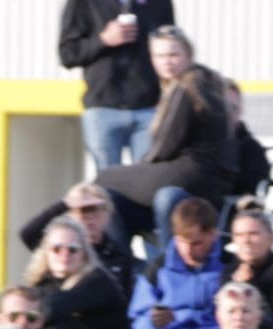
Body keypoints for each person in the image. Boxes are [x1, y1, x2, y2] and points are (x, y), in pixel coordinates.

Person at [94, 25, 232, 259]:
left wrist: (144, 168)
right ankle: (125, 266)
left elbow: (165, 145)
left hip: (192, 174)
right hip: (206, 177)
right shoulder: (208, 84)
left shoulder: (186, 86)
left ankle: (118, 268)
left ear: (188, 55)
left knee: (104, 179)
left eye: (173, 55)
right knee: (115, 199)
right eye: (159, 56)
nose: (166, 62)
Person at [101, 195, 223, 329]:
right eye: (183, 242)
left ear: (213, 235)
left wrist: (186, 316)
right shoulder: (158, 268)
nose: (189, 250)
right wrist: (151, 323)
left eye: (197, 243)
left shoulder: (228, 268)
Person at [58, 0, 173, 172]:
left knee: (145, 179)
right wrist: (103, 39)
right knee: (106, 182)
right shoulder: (82, 3)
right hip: (103, 108)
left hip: (148, 108)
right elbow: (67, 55)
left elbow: (170, 46)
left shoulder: (159, 3)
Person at [25, 215, 138, 329]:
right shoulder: (42, 285)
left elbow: (51, 308)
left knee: (60, 326)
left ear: (84, 254)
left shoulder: (98, 281)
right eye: (56, 249)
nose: (64, 255)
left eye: (72, 249)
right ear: (46, 253)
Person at [18, 181, 136, 299]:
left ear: (107, 214)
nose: (88, 218)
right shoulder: (58, 249)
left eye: (94, 210)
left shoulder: (118, 254)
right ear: (70, 215)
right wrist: (64, 204)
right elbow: (27, 235)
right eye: (82, 210)